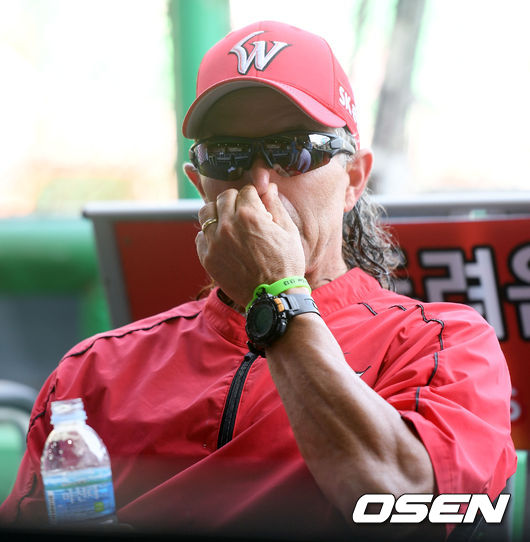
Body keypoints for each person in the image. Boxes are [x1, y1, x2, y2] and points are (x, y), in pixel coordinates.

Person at [0, 20, 516, 542]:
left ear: (353, 179)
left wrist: (277, 296)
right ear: (200, 184)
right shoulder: (95, 372)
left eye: (294, 150)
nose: (259, 180)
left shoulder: (441, 343)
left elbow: (408, 507)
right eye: (227, 155)